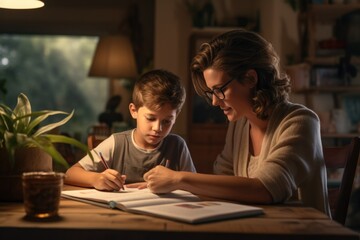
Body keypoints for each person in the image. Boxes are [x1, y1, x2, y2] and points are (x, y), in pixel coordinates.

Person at [143, 29, 331, 216]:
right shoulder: (240, 125)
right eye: (212, 93)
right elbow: (222, 182)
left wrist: (178, 179)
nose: (215, 101)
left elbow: (266, 189)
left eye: (219, 89)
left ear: (250, 78)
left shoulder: (300, 121)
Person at [65, 69, 196, 191]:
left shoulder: (177, 146)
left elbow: (194, 185)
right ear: (134, 111)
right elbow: (70, 174)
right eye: (150, 118)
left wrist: (172, 183)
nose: (157, 128)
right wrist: (96, 179)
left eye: (167, 121)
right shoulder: (116, 143)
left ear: (176, 117)